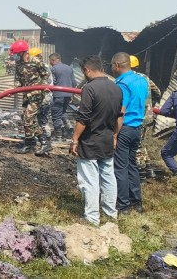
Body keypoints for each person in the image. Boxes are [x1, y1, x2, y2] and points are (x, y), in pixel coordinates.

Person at [70, 55, 122, 226]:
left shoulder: (89, 88)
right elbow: (119, 116)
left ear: (87, 70)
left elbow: (83, 117)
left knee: (90, 180)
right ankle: (110, 213)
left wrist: (75, 140)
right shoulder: (116, 88)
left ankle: (92, 218)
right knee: (108, 176)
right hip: (107, 139)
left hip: (90, 141)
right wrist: (115, 136)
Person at [110, 52, 149, 214]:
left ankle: (123, 205)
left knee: (120, 168)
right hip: (137, 128)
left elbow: (121, 111)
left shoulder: (122, 84)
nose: (111, 68)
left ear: (117, 65)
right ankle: (137, 202)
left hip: (124, 129)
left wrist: (114, 135)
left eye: (112, 65)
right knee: (132, 165)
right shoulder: (141, 80)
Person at [11, 40, 49, 154]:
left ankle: (44, 143)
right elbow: (17, 79)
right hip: (26, 94)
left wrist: (45, 86)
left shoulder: (36, 61)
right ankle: (30, 144)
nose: (15, 57)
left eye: (17, 54)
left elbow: (45, 74)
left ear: (23, 52)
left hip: (36, 94)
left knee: (28, 118)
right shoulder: (19, 64)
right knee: (26, 118)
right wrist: (14, 89)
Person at [130, 55, 161, 176]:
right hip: (148, 116)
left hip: (136, 117)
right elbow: (157, 92)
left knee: (136, 145)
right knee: (141, 144)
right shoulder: (145, 78)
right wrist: (151, 103)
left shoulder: (128, 80)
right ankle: (149, 169)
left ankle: (141, 172)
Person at [30, 48, 54, 154]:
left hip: (44, 98)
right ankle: (47, 143)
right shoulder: (42, 66)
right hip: (45, 97)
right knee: (42, 120)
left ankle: (47, 144)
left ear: (38, 56)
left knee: (42, 121)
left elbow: (45, 84)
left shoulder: (43, 67)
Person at [49, 53, 76, 140]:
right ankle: (69, 126)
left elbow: (53, 83)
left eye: (50, 61)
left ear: (53, 60)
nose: (50, 63)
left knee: (56, 114)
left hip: (58, 95)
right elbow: (74, 83)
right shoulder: (69, 68)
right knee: (63, 112)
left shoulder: (53, 69)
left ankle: (58, 136)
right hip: (68, 94)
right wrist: (72, 94)